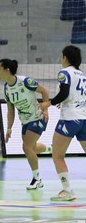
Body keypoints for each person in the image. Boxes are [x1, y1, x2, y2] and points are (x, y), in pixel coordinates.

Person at [0, 58, 51, 190]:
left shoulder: (25, 81)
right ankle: (50, 149)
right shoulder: (6, 89)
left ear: (7, 70)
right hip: (25, 121)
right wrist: (9, 128)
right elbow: (11, 111)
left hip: (37, 118)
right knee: (31, 148)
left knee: (26, 147)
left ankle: (37, 179)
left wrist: (45, 110)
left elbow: (44, 91)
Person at [40, 45, 86, 201]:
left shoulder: (64, 72)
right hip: (84, 118)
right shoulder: (82, 74)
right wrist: (64, 101)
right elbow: (72, 94)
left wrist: (50, 103)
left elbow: (64, 92)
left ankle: (67, 191)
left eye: (61, 56)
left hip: (69, 119)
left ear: (65, 58)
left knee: (58, 155)